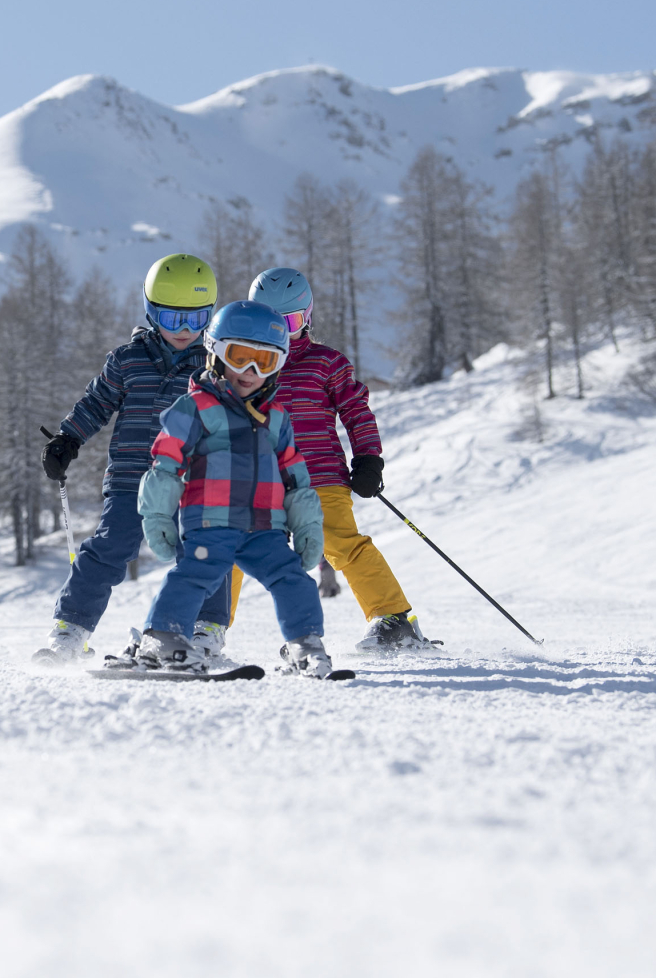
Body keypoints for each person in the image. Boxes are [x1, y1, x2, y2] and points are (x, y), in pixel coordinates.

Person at [33, 254, 239, 664]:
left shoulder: (216, 367)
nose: (184, 330)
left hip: (192, 483)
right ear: (149, 311)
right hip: (132, 480)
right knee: (108, 549)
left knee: (204, 550)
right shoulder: (127, 360)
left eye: (196, 319)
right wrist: (67, 439)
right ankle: (71, 631)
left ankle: (204, 632)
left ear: (210, 318)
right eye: (171, 317)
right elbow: (95, 403)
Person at [129, 300, 333, 677]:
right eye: (240, 357)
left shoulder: (277, 417)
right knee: (196, 575)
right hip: (212, 521)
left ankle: (305, 643)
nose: (251, 372)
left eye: (265, 362)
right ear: (216, 353)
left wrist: (306, 526)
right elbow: (166, 462)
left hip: (265, 528)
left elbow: (296, 477)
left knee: (292, 579)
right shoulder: (196, 407)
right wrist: (158, 514)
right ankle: (162, 637)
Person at [250, 267, 436, 652]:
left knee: (342, 543)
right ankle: (205, 624)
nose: (283, 331)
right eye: (272, 322)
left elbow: (356, 412)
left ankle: (394, 620)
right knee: (233, 546)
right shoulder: (245, 369)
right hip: (261, 481)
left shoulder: (326, 362)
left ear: (308, 317)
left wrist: (369, 458)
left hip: (320, 478)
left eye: (292, 320)